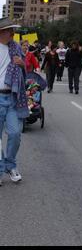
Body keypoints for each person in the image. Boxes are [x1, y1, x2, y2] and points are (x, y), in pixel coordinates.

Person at [0, 18, 29, 186]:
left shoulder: (16, 48)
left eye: (12, 30)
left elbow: (24, 73)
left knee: (15, 133)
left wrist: (22, 64)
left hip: (11, 98)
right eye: (8, 30)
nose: (12, 33)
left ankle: (10, 165)